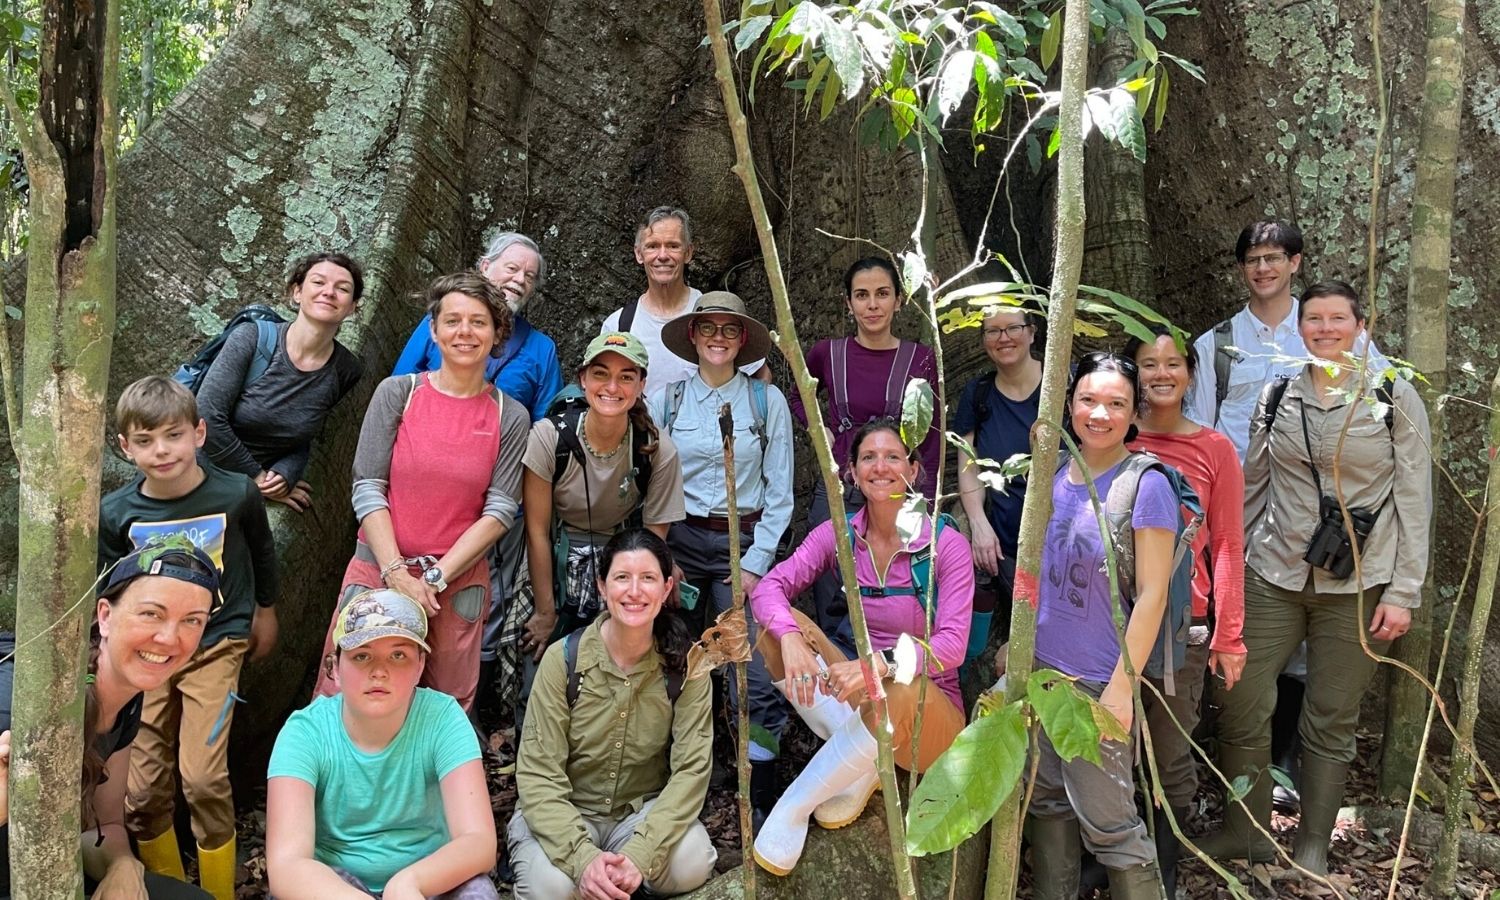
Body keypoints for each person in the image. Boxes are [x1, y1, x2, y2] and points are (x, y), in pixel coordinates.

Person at [1196, 281, 1430, 875]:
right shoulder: (1278, 391)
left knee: (1331, 713)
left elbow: (1414, 498)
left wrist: (1404, 591)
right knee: (1240, 695)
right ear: (1301, 327)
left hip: (1360, 583)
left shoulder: (1391, 394)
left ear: (1360, 326)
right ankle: (1244, 831)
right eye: (1314, 319)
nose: (1325, 329)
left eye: (1337, 319)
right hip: (1273, 570)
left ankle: (1312, 844)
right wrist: (1229, 572)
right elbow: (1250, 488)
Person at [749, 418, 973, 876]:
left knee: (898, 690)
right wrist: (790, 638)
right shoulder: (841, 535)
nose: (881, 466)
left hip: (928, 712)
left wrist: (879, 667)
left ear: (915, 468)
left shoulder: (945, 544)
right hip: (861, 691)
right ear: (851, 472)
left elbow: (952, 646)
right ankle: (863, 764)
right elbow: (768, 588)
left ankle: (792, 807)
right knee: (772, 629)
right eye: (868, 457)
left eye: (893, 456)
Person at [313, 272, 528, 712]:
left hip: (455, 584)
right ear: (433, 330)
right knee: (346, 694)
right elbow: (369, 486)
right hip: (378, 571)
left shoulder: (510, 415)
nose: (464, 332)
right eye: (452, 321)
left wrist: (432, 579)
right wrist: (396, 574)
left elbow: (500, 509)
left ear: (497, 333)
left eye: (478, 322)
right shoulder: (398, 393)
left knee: (442, 706)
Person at [98, 376, 278, 900]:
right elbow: (109, 586)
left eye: (173, 436)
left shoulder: (235, 492)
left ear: (199, 433)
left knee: (201, 779)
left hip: (216, 642)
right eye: (146, 440)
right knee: (144, 787)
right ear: (125, 447)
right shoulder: (117, 513)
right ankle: (172, 890)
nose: (162, 451)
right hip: (148, 658)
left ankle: (218, 891)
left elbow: (262, 551)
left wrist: (266, 611)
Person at [390, 231, 564, 716]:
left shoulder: (540, 349)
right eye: (511, 268)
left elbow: (546, 424)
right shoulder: (438, 326)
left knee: (483, 601)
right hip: (419, 493)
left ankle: (464, 715)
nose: (519, 280)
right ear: (484, 265)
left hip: (495, 499)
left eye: (529, 276)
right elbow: (398, 390)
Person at [1027, 352, 1177, 900]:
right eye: (1088, 400)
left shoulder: (1146, 484)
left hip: (1098, 680)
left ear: (1134, 413)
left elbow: (1153, 594)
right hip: (1043, 673)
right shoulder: (1052, 473)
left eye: (1116, 404)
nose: (1100, 414)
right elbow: (1034, 567)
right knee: (1046, 802)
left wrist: (1120, 687)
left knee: (1112, 824)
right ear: (1068, 405)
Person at [0, 536, 220, 900]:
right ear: (105, 615)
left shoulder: (126, 704)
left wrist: (122, 865)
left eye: (192, 621)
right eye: (152, 613)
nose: (169, 637)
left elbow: (104, 826)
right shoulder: (18, 699)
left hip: (58, 874)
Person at [647, 291, 794, 825]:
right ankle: (684, 780)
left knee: (749, 672)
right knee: (678, 662)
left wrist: (755, 564)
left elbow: (781, 492)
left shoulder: (764, 402)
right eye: (707, 328)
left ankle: (761, 791)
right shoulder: (669, 401)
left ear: (742, 340)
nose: (717, 338)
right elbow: (655, 484)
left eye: (729, 330)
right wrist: (662, 553)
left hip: (745, 541)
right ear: (692, 336)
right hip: (681, 541)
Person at [507, 530, 717, 899]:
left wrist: (641, 851)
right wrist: (582, 858)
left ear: (667, 588)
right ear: (602, 587)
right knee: (552, 887)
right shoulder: (563, 660)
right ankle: (604, 878)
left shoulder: (686, 664)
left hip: (638, 814)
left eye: (648, 578)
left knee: (692, 861)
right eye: (622, 578)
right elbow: (539, 776)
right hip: (568, 811)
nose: (634, 591)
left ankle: (620, 878)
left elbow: (691, 771)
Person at [266, 589, 498, 899]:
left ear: (420, 666)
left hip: (428, 877)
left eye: (398, 655)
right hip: (334, 885)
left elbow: (479, 841)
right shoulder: (305, 733)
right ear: (334, 667)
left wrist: (409, 883)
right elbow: (287, 866)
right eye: (362, 655)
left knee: (478, 892)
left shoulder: (443, 719)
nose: (379, 671)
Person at [1123, 328, 1246, 896]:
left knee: (1171, 751)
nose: (1162, 374)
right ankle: (1121, 860)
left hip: (1183, 626)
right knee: (1111, 746)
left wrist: (1229, 635)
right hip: (1112, 622)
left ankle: (1163, 868)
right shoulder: (1113, 435)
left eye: (1174, 363)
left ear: (1191, 375)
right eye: (1149, 364)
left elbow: (1226, 543)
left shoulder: (1215, 448)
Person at [509, 332, 685, 697]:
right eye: (601, 374)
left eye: (626, 376)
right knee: (538, 663)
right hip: (554, 553)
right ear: (583, 378)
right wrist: (545, 612)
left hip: (620, 556)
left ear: (641, 385)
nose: (612, 387)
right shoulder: (548, 438)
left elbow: (651, 544)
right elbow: (537, 531)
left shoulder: (654, 448)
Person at [790, 257, 941, 656]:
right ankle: (835, 686)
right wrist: (816, 428)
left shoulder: (920, 358)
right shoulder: (828, 354)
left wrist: (922, 498)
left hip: (897, 495)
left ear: (898, 301)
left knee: (893, 590)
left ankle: (889, 684)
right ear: (848, 303)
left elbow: (932, 432)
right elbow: (797, 394)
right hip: (840, 489)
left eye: (882, 294)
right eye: (862, 295)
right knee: (829, 585)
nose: (872, 305)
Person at [196, 252, 365, 513]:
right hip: (196, 479)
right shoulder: (251, 339)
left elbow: (303, 434)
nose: (329, 292)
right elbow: (205, 417)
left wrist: (286, 474)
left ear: (352, 307)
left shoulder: (346, 369)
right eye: (318, 283)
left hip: (253, 496)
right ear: (297, 292)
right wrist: (256, 477)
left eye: (342, 288)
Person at [953, 307, 1042, 655]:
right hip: (1005, 543)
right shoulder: (979, 394)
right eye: (993, 331)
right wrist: (978, 523)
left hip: (1062, 540)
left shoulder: (1067, 383)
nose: (1003, 338)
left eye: (1013, 328)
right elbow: (966, 462)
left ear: (1032, 333)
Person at [600, 206, 768, 387]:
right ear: (639, 254)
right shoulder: (619, 326)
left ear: (688, 253)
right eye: (652, 246)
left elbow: (761, 376)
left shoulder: (713, 315)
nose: (662, 256)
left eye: (673, 246)